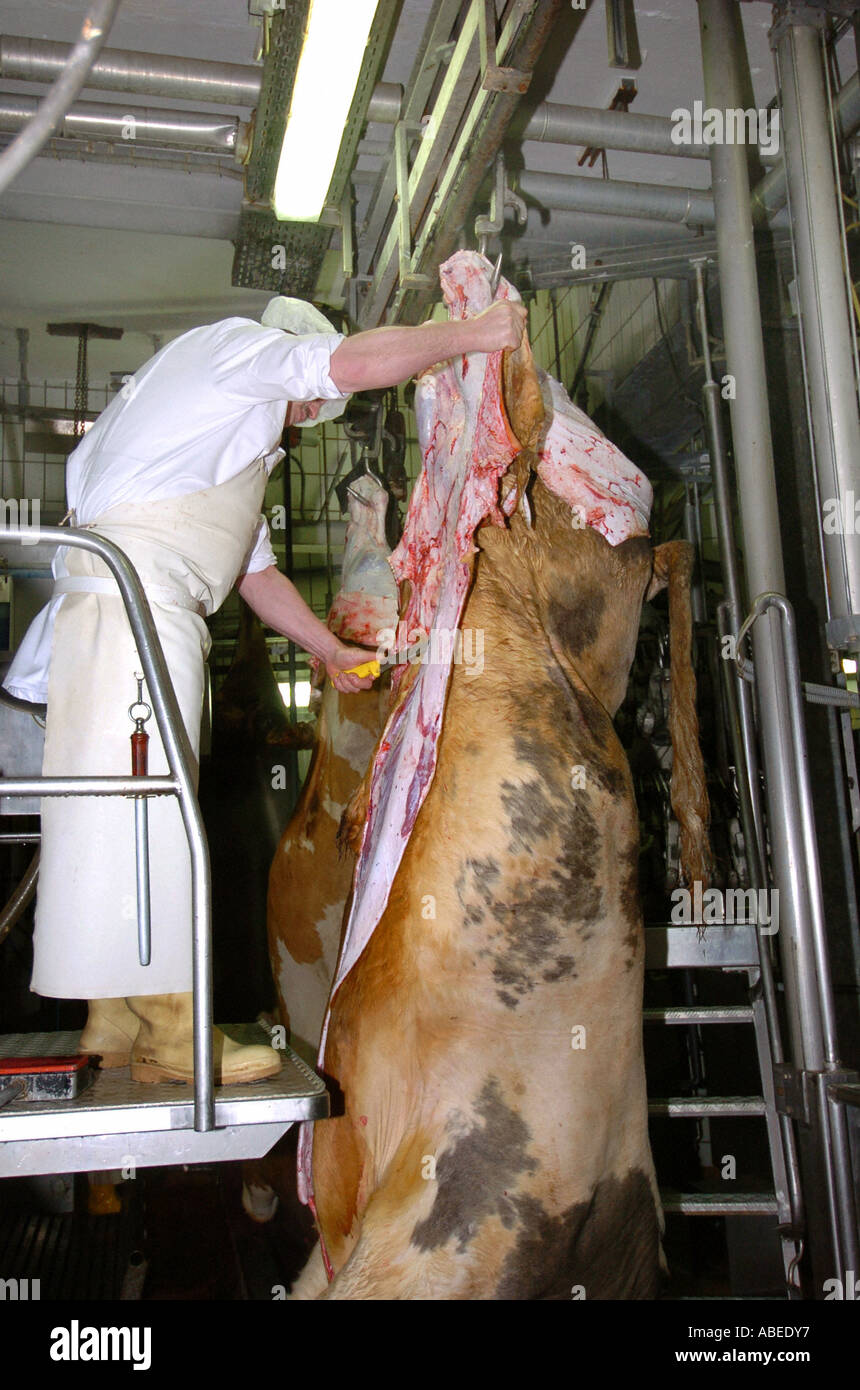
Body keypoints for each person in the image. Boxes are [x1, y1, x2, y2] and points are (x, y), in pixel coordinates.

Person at [4, 292, 526, 1084]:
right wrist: (470, 335)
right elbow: (346, 361)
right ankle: (175, 1029)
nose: (310, 412)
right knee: (151, 817)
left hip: (139, 609)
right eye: (312, 401)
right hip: (135, 606)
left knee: (123, 815)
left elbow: (252, 572)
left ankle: (113, 1017)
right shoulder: (238, 350)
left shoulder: (215, 432)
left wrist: (327, 648)